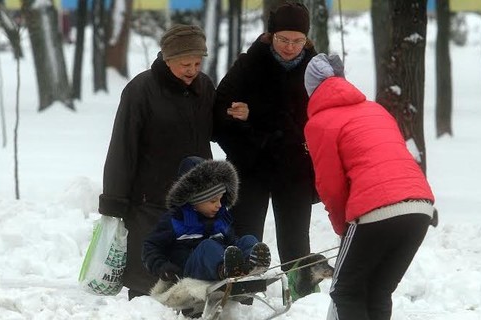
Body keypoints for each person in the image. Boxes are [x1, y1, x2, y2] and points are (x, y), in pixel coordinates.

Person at [303, 53, 436, 320]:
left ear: (311, 90)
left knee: (345, 291)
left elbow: (330, 186)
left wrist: (344, 228)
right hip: (420, 206)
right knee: (378, 290)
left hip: (375, 211)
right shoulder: (376, 109)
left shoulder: (319, 124)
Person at [98, 24, 216, 300]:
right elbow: (122, 149)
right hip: (149, 203)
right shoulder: (141, 90)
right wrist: (115, 200)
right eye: (185, 63)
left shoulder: (205, 87)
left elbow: (214, 131)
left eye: (197, 63)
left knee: (188, 282)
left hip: (193, 203)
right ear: (167, 59)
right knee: (146, 282)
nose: (192, 70)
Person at [213, 1, 317, 279]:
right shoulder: (248, 65)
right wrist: (246, 148)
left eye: (298, 40)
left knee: (296, 243)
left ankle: (303, 300)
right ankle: (238, 297)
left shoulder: (315, 71)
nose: (290, 46)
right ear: (270, 36)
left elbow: (314, 121)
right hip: (250, 168)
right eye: (283, 39)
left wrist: (254, 114)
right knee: (244, 239)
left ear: (307, 40)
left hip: (296, 169)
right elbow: (220, 115)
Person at [142, 156, 271, 284]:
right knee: (208, 246)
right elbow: (151, 247)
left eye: (220, 199)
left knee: (248, 239)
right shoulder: (175, 220)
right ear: (194, 200)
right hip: (190, 270)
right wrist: (161, 266)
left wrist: (242, 250)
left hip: (221, 260)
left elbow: (232, 243)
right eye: (213, 201)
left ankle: (252, 264)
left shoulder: (220, 218)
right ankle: (225, 269)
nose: (219, 205)